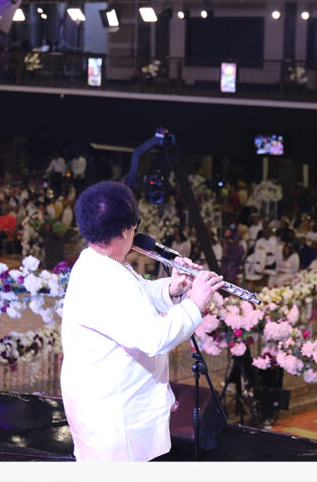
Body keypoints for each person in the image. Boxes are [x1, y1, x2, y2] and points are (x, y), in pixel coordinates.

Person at [60, 180, 224, 461]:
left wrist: (172, 289)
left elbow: (138, 293)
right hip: (116, 420)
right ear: (126, 230)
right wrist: (195, 303)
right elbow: (154, 338)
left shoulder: (95, 261)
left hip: (110, 411)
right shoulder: (105, 277)